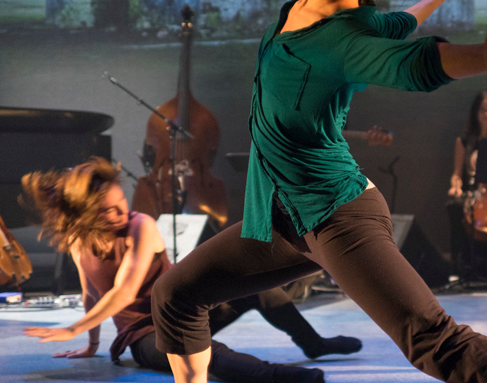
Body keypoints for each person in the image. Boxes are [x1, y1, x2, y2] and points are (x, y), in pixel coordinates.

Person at [151, 0, 487, 383]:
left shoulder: (343, 39)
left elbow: (408, 62)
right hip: (282, 219)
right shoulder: (298, 9)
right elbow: (396, 25)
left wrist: (483, 58)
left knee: (433, 339)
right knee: (175, 295)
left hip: (337, 214)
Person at [21, 158, 361, 383]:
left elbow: (124, 290)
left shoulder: (141, 226)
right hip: (144, 337)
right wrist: (91, 342)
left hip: (183, 312)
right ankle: (278, 377)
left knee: (261, 289)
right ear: (86, 213)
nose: (120, 211)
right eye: (107, 210)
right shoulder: (80, 242)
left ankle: (313, 343)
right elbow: (90, 294)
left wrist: (73, 329)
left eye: (121, 201)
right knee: (203, 355)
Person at [445, 90, 487, 277]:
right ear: (475, 113)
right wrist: (456, 186)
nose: (486, 114)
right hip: (472, 194)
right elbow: (457, 174)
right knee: (454, 207)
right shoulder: (464, 140)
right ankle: (459, 266)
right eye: (482, 110)